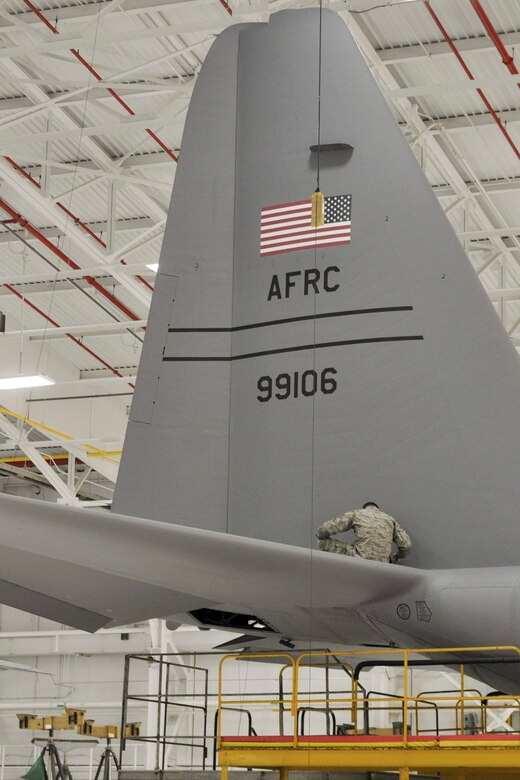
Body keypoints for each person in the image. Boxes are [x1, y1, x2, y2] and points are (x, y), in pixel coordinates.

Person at [316, 502, 411, 563]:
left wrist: (320, 535)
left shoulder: (357, 513)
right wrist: (398, 556)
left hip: (359, 557)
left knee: (322, 541)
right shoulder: (390, 519)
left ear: (365, 508)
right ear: (378, 509)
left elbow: (326, 528)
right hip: (383, 562)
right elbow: (406, 545)